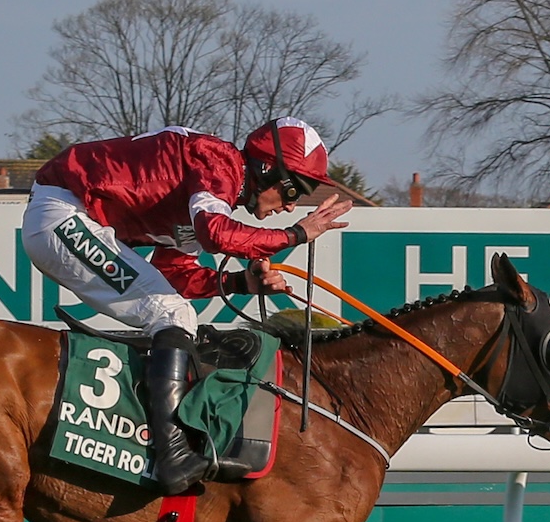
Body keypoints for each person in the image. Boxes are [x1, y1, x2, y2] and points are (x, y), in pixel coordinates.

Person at [22, 118, 352, 494]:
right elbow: (216, 234)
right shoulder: (219, 163)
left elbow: (175, 273)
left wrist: (239, 283)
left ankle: (159, 436)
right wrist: (295, 235)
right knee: (174, 316)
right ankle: (171, 450)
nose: (293, 203)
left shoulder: (207, 187)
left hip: (69, 215)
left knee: (174, 312)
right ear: (266, 168)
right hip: (63, 213)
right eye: (296, 187)